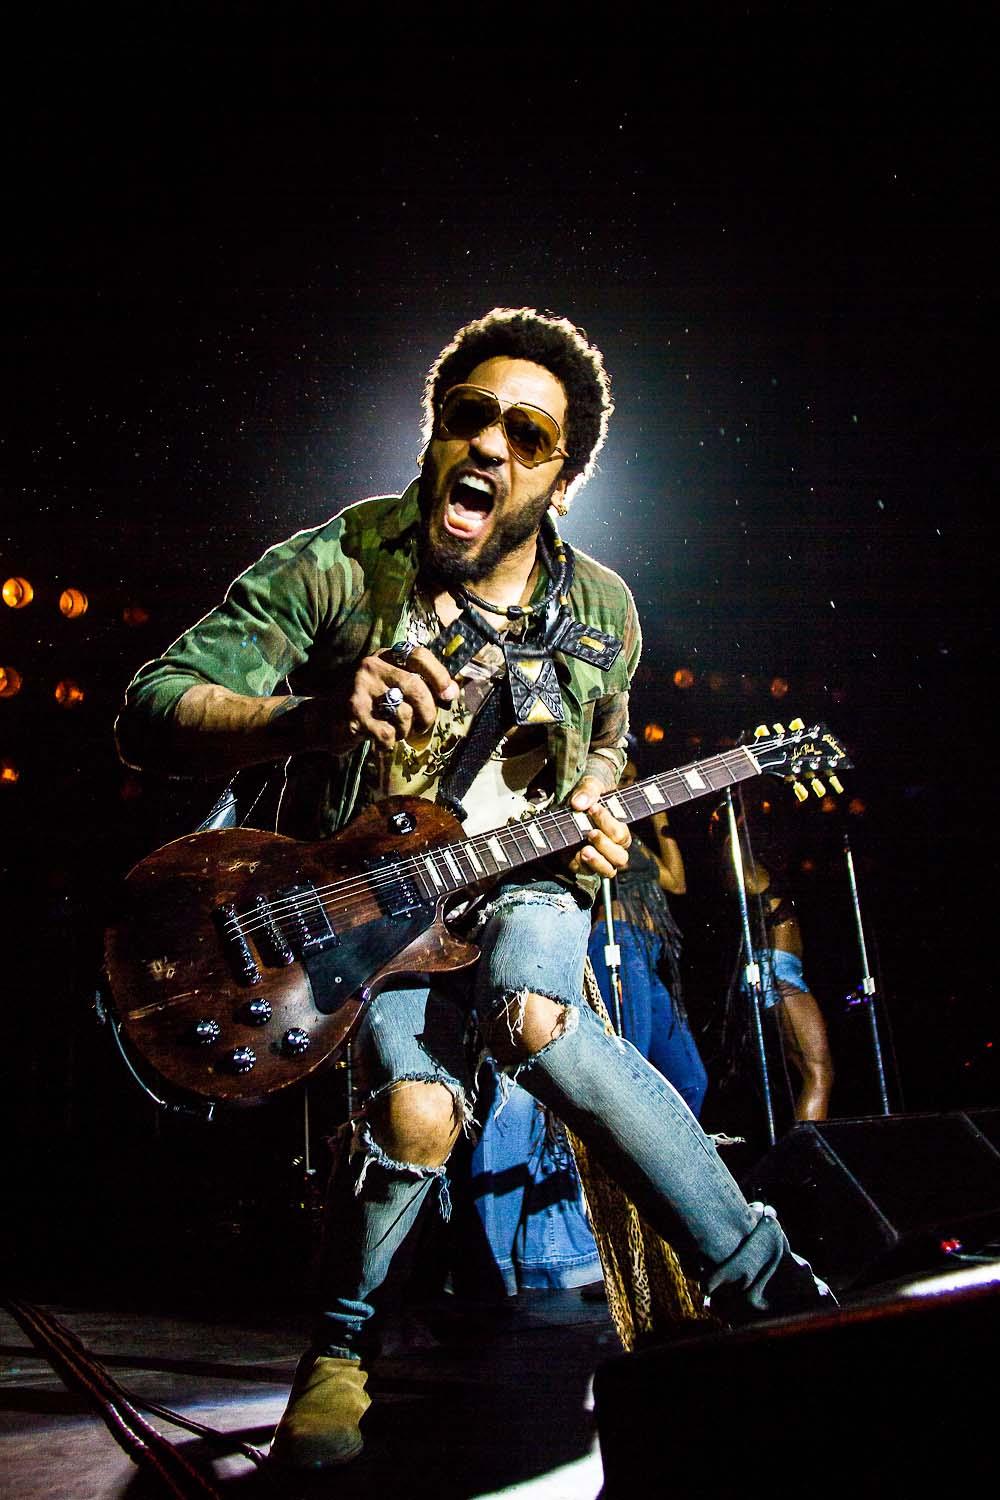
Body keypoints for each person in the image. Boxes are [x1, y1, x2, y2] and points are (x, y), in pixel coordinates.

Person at [115, 305, 834, 1472]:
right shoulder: (342, 561)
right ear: (436, 432)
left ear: (563, 479)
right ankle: (339, 1349)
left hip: (525, 881)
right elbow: (151, 709)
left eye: (527, 435)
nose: (491, 444)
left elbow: (608, 740)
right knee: (415, 1113)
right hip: (376, 899)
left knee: (535, 1015)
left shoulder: (604, 608)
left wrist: (597, 798)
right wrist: (311, 712)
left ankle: (765, 1283)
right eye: (471, 416)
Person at [587, 753, 708, 1118]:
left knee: (691, 1081)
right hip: (618, 943)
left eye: (635, 781)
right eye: (624, 780)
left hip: (647, 954)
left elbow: (676, 881)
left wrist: (660, 817)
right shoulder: (600, 834)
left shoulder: (636, 842)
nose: (631, 788)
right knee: (630, 1061)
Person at [722, 788, 835, 1122]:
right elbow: (735, 862)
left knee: (809, 1069)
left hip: (783, 971)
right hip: (777, 973)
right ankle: (808, 1148)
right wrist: (739, 818)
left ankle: (805, 1141)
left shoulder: (773, 873)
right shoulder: (757, 875)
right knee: (819, 1071)